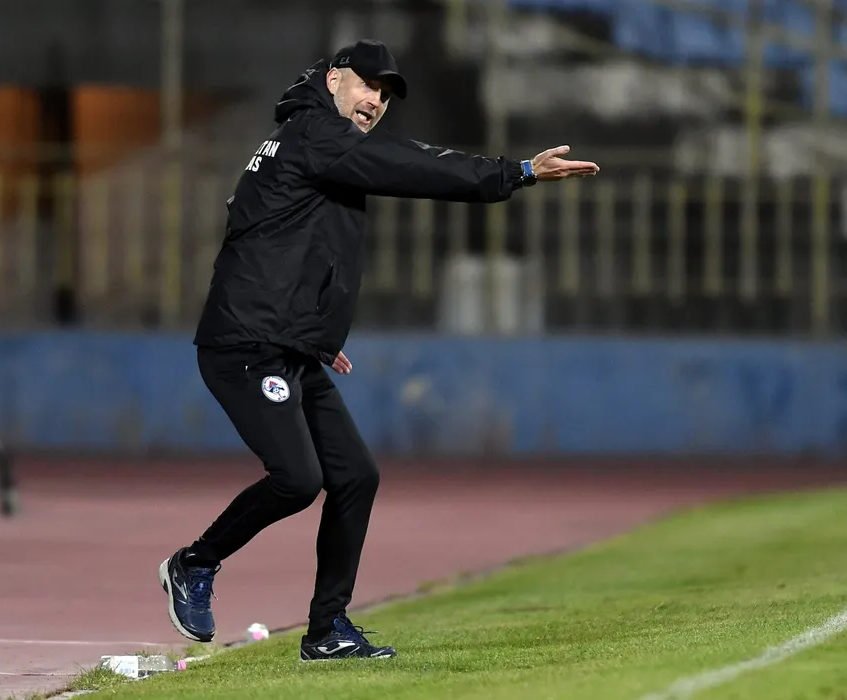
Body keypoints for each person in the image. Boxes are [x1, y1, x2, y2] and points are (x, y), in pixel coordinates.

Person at [159, 39, 599, 662]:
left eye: (387, 95)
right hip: (247, 345)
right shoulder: (317, 133)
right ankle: (195, 563)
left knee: (355, 476)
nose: (376, 101)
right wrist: (517, 172)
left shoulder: (309, 142)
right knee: (298, 480)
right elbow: (413, 166)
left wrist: (313, 334)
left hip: (284, 343)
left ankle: (327, 630)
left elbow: (273, 241)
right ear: (334, 80)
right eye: (368, 85)